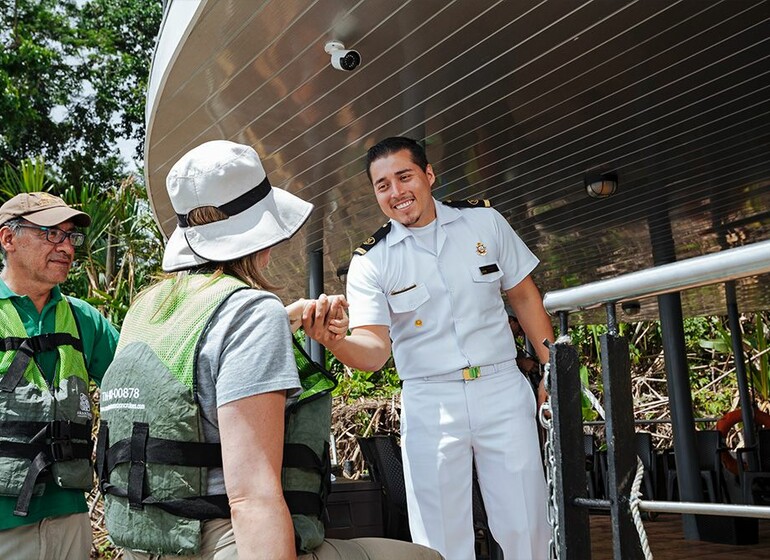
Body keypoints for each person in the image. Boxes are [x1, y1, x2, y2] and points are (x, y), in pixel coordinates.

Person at [97, 140, 443, 560]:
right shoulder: (252, 311)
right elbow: (251, 498)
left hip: (149, 541)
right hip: (221, 539)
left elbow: (197, 356)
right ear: (260, 234)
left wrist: (281, 320)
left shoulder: (147, 307)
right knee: (424, 557)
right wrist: (266, 320)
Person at [304, 137, 553, 560]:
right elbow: (374, 351)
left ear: (429, 175)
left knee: (527, 525)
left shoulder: (484, 223)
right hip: (430, 399)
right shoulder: (371, 262)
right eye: (383, 185)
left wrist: (551, 369)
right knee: (438, 538)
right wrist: (336, 341)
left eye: (405, 177)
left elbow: (524, 297)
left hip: (501, 387)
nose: (396, 192)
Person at [0, 192, 119, 560]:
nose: (67, 247)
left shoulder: (85, 319)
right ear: (8, 239)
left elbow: (145, 376)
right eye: (52, 233)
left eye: (71, 237)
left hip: (70, 517)